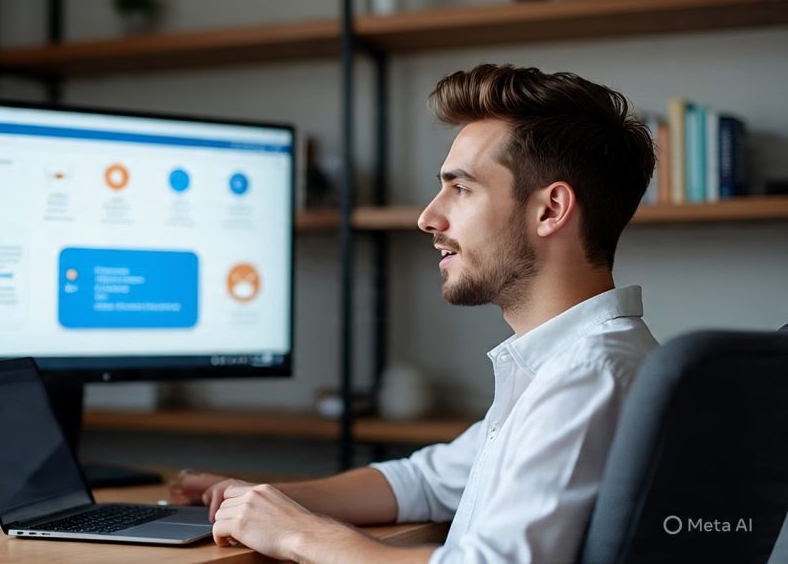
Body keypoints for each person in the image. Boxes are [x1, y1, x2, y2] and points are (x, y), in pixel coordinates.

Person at [171, 64, 659, 563]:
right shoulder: (563, 363)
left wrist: (298, 535)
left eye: (461, 188)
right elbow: (424, 480)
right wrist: (266, 499)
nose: (428, 217)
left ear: (551, 210)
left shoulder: (588, 375)